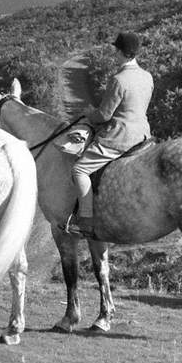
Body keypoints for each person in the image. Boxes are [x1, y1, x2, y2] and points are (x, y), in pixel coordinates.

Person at [65, 31, 154, 238]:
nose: (114, 53)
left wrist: (88, 113)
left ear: (121, 52)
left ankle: (85, 221)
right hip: (143, 134)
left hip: (120, 137)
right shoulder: (147, 76)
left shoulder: (118, 80)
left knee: (79, 170)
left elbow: (104, 115)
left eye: (116, 50)